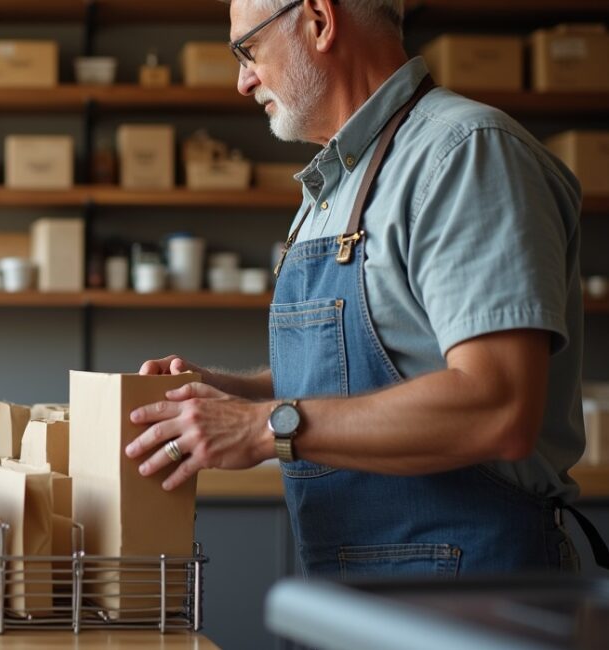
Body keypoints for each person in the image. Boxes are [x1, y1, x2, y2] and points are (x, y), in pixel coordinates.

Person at [127, 0, 601, 576]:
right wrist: (223, 396)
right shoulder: (336, 184)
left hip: (474, 594)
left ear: (320, 21)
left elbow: (498, 406)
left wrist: (263, 427)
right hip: (355, 591)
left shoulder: (463, 154)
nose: (242, 80)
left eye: (247, 50)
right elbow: (363, 370)